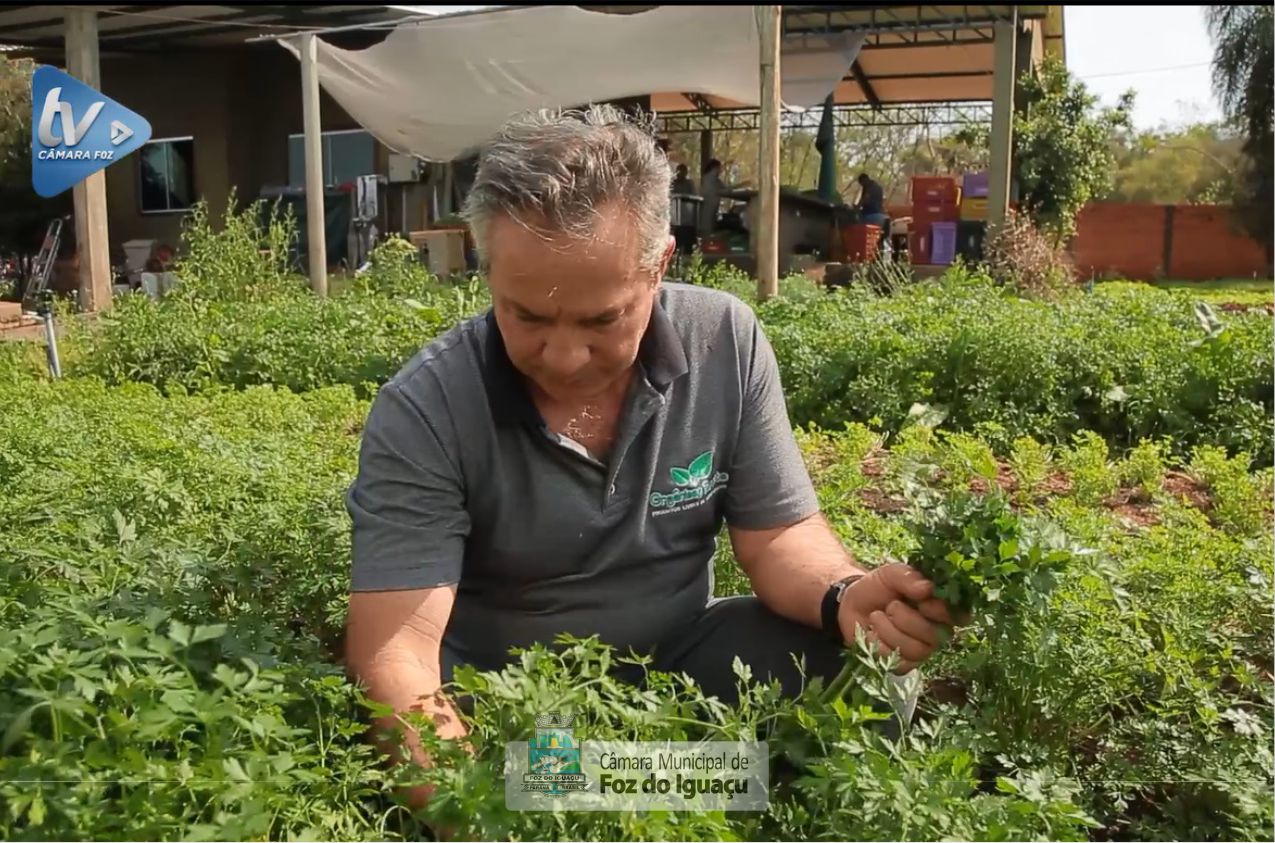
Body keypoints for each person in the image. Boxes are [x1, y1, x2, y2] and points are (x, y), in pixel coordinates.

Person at [343, 105, 961, 810]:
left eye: (601, 319)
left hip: (676, 669)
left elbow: (781, 535)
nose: (565, 356)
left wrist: (842, 595)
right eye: (528, 316)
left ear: (659, 263)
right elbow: (397, 653)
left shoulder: (722, 339)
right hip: (510, 710)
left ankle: (625, 790)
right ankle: (644, 791)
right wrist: (479, 814)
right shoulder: (427, 405)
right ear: (488, 271)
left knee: (865, 675)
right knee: (534, 771)